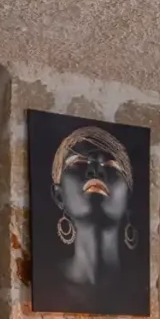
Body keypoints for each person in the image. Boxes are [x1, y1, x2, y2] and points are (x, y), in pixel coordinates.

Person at [48, 123, 138, 299]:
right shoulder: (48, 286)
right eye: (79, 163)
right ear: (59, 196)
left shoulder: (142, 289)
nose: (95, 171)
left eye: (111, 166)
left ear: (128, 197)